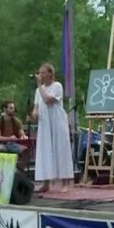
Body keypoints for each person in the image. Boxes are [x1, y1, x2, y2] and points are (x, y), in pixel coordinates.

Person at [30, 62, 76, 193]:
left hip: (57, 120)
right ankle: (46, 182)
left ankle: (64, 182)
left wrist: (39, 85)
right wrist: (34, 114)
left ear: (50, 74)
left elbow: (48, 100)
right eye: (39, 72)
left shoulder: (57, 86)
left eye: (43, 72)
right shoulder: (38, 91)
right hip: (45, 123)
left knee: (60, 148)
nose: (40, 75)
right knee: (45, 150)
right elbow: (37, 106)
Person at [0, 100, 29, 169]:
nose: (13, 110)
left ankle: (19, 169)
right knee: (1, 149)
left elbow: (22, 134)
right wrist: (10, 138)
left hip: (12, 144)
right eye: (11, 108)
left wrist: (24, 136)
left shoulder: (16, 121)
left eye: (13, 108)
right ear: (5, 109)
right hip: (0, 143)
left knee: (26, 151)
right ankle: (5, 169)